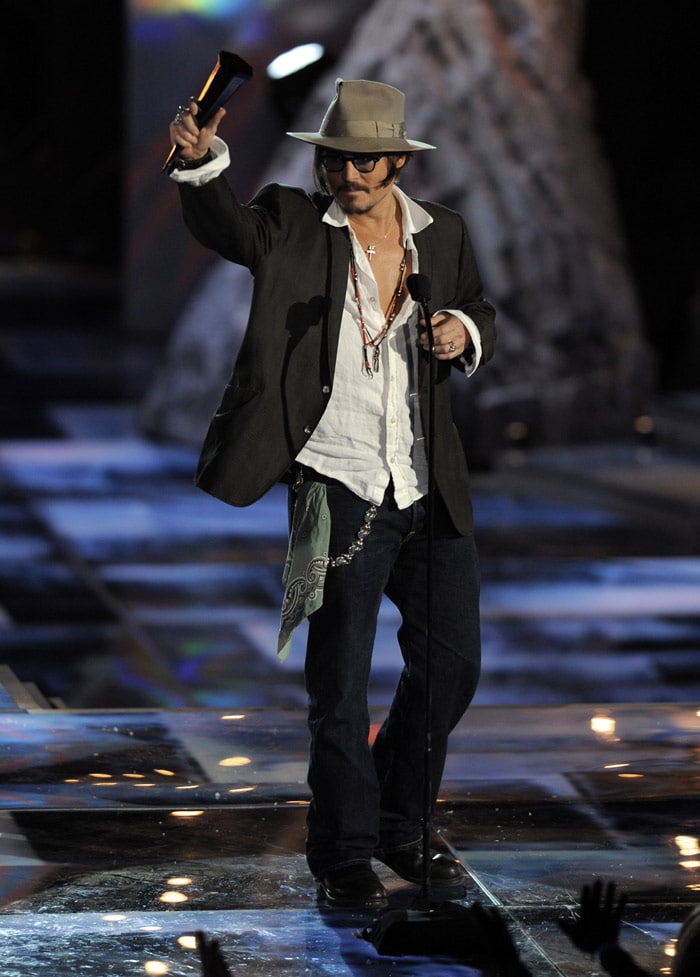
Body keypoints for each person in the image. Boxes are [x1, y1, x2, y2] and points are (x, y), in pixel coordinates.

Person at [167, 76, 496, 909]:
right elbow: (226, 226)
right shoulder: (290, 223)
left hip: (425, 483)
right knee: (339, 686)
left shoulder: (442, 234)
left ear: (394, 161)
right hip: (335, 480)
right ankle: (344, 852)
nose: (346, 175)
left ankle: (397, 819)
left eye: (362, 162)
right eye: (335, 160)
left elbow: (475, 306)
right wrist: (202, 164)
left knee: (452, 668)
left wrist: (462, 330)